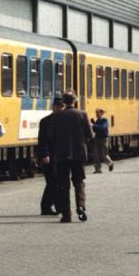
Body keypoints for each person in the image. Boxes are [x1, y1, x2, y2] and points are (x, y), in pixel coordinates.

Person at [44, 91, 94, 222]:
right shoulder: (83, 114)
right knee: (79, 183)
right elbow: (90, 135)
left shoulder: (57, 116)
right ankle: (81, 206)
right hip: (79, 155)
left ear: (64, 102)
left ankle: (67, 214)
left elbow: (50, 136)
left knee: (63, 185)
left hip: (61, 155)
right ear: (75, 100)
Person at [37, 97, 66, 214]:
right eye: (58, 106)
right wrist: (45, 154)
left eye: (62, 106)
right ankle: (50, 207)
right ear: (53, 106)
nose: (59, 108)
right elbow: (42, 140)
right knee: (52, 182)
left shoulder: (65, 121)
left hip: (61, 156)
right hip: (50, 156)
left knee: (55, 183)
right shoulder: (45, 121)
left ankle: (48, 207)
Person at [91, 108, 114, 173]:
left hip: (104, 138)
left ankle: (110, 163)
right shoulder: (97, 121)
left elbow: (102, 127)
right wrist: (93, 125)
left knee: (103, 154)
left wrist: (94, 125)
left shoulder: (105, 120)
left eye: (97, 113)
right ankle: (97, 169)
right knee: (95, 154)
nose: (96, 114)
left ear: (101, 113)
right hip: (97, 138)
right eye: (96, 113)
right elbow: (95, 130)